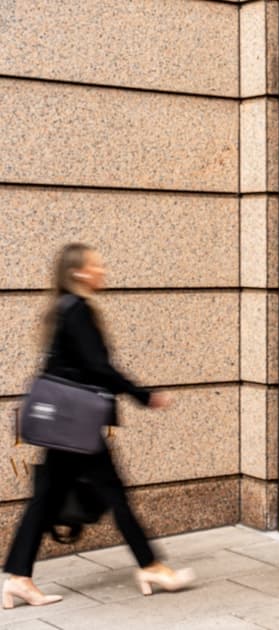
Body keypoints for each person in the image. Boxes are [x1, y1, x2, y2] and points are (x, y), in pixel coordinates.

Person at [3, 243, 195, 609]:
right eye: (96, 266)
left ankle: (18, 578)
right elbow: (98, 368)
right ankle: (151, 566)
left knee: (47, 497)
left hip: (67, 424)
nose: (102, 271)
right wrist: (142, 395)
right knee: (112, 493)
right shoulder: (77, 310)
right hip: (76, 424)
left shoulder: (64, 309)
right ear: (78, 272)